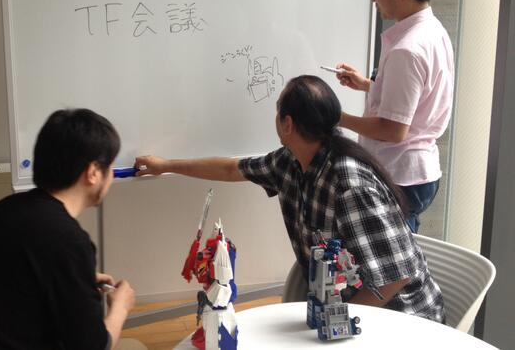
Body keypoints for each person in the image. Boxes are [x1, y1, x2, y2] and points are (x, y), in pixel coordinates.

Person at [134, 75, 444, 323]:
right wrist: (165, 166)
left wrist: (333, 322)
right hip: (343, 311)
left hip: (401, 318)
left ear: (288, 124)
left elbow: (395, 277)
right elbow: (230, 169)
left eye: (277, 110)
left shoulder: (349, 185)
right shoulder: (289, 162)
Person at [0, 109, 145, 350]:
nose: (111, 175)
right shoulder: (67, 240)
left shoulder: (2, 212)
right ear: (92, 173)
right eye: (109, 167)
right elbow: (96, 346)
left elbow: (20, 283)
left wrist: (76, 280)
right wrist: (120, 307)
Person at [336, 0, 454, 233]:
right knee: (405, 249)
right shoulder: (434, 31)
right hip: (419, 173)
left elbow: (393, 130)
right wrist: (369, 85)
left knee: (393, 257)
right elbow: (419, 99)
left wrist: (336, 118)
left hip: (400, 175)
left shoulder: (407, 49)